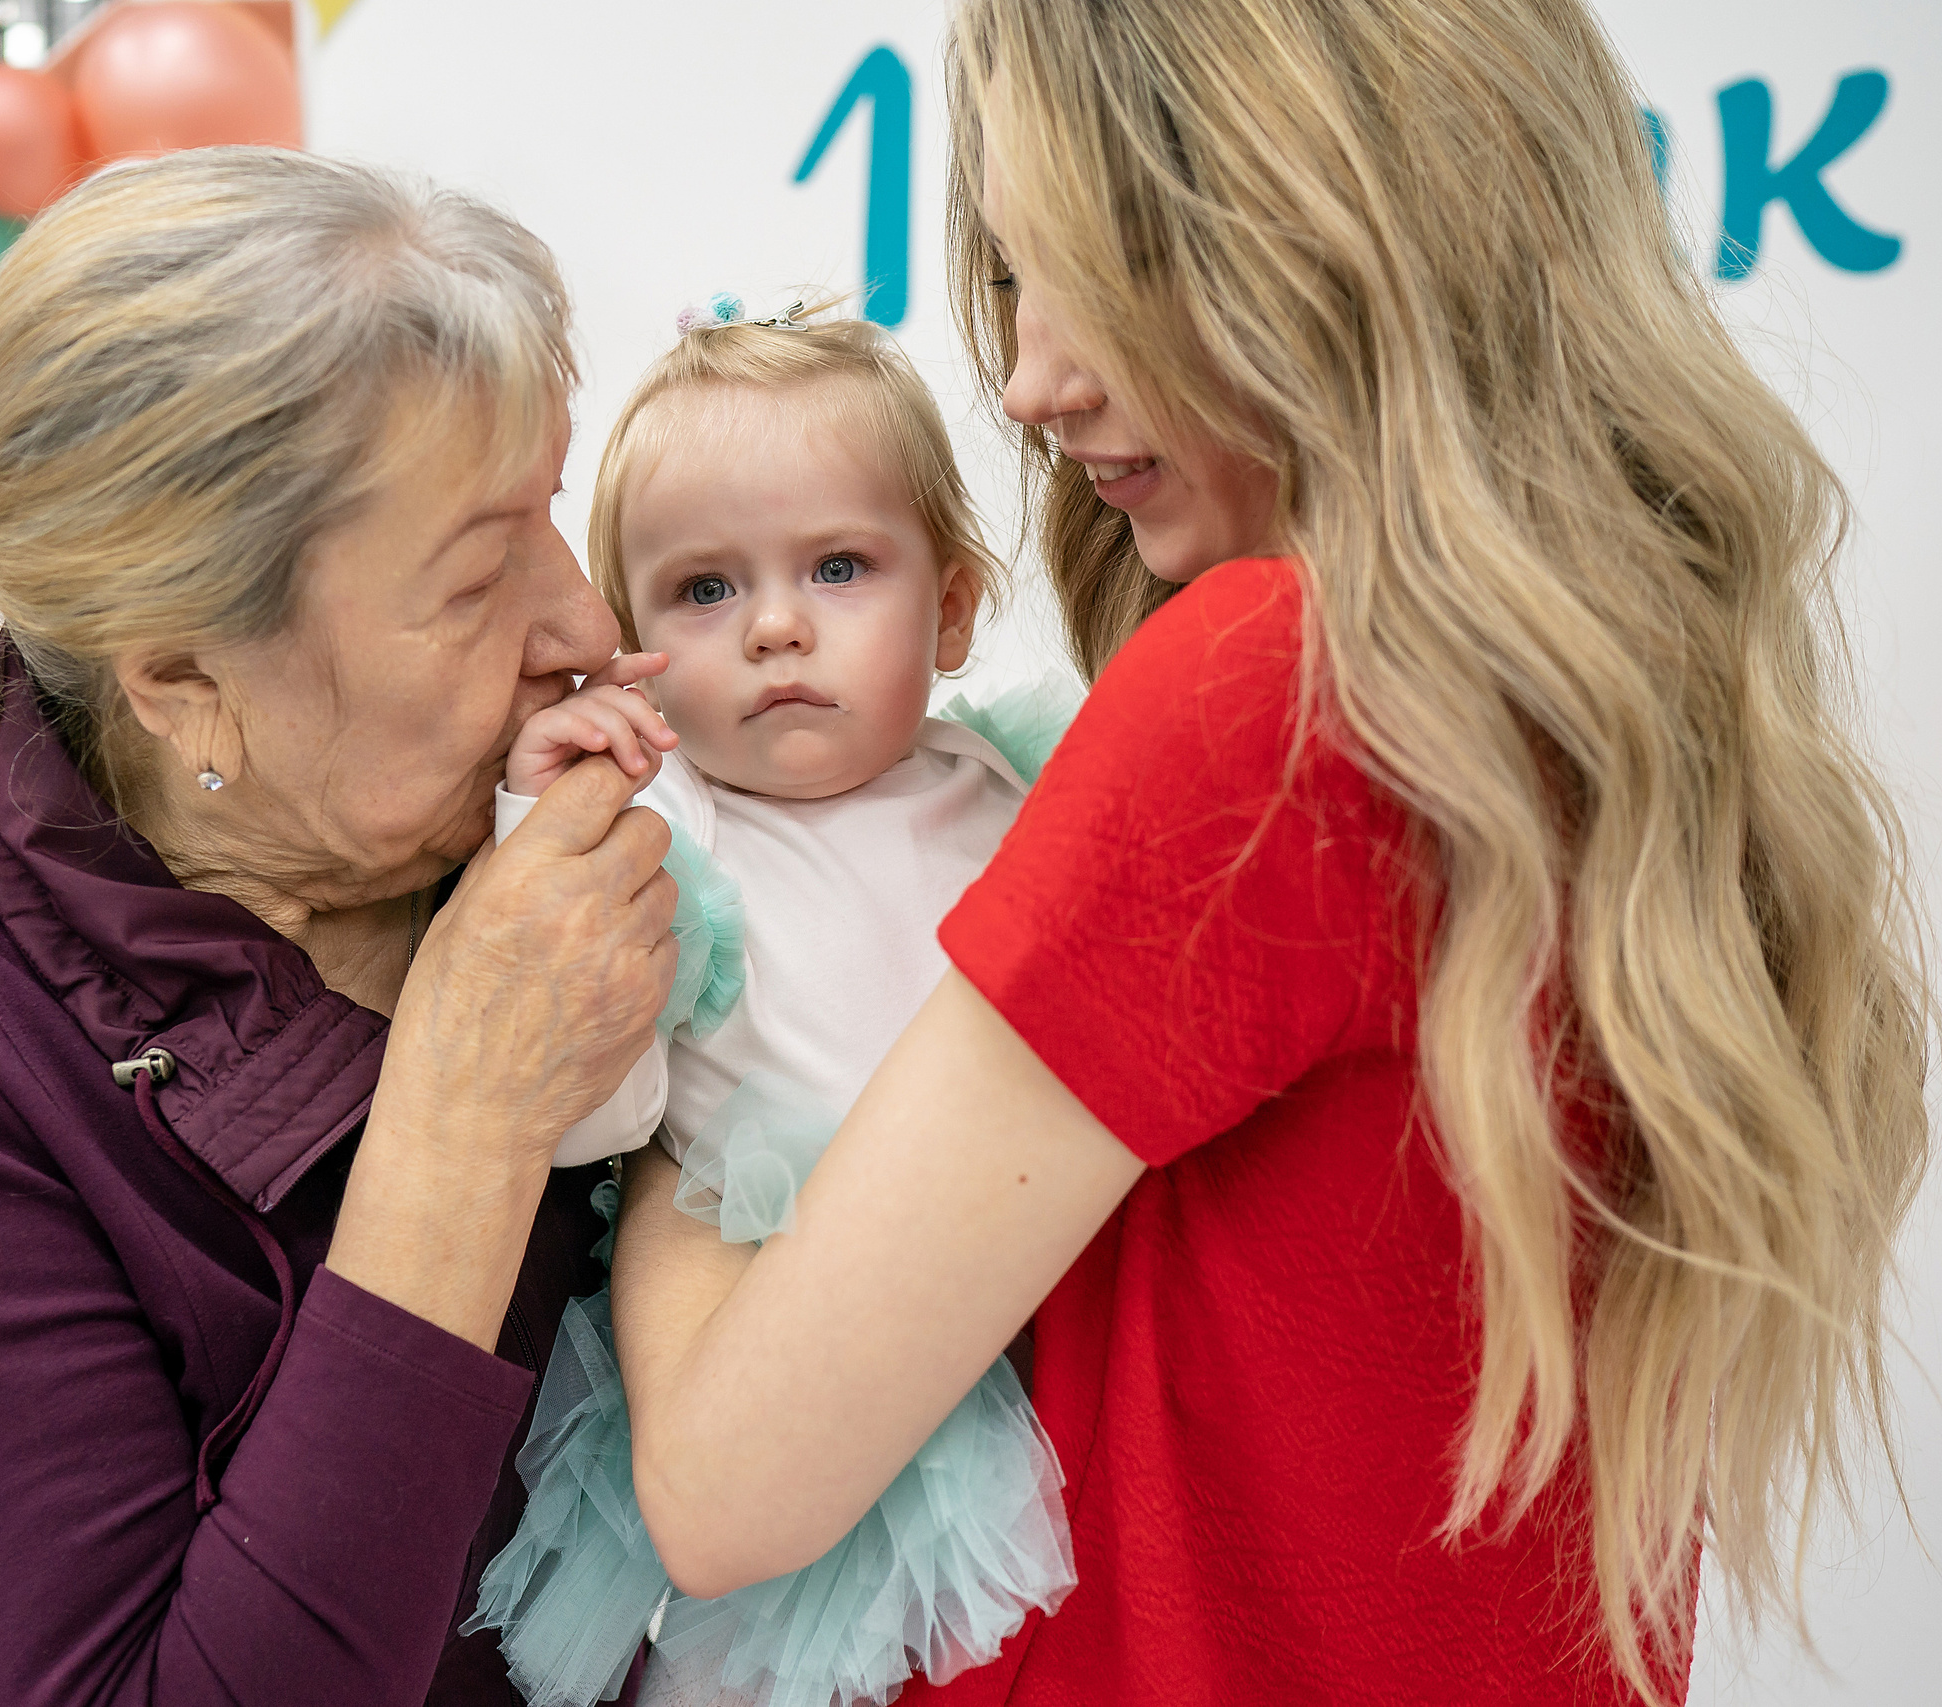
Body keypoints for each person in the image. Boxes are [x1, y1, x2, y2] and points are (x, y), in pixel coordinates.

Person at [607, 3, 1934, 1704]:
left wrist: (681, 1126)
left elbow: (726, 1491)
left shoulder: (1269, 689)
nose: (1029, 379)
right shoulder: (1614, 697)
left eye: (1098, 262)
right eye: (1015, 279)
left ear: (1320, 232)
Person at [0, 148, 682, 1706]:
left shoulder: (510, 846)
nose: (584, 626)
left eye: (549, 508)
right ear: (185, 679)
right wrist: (464, 1120)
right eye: (476, 583)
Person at [465, 309, 1078, 1707]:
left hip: (1017, 1345)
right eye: (703, 592)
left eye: (841, 567)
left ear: (960, 604)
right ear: (628, 646)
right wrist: (534, 824)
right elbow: (587, 1120)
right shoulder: (671, 837)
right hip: (778, 1360)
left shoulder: (1016, 789)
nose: (779, 624)